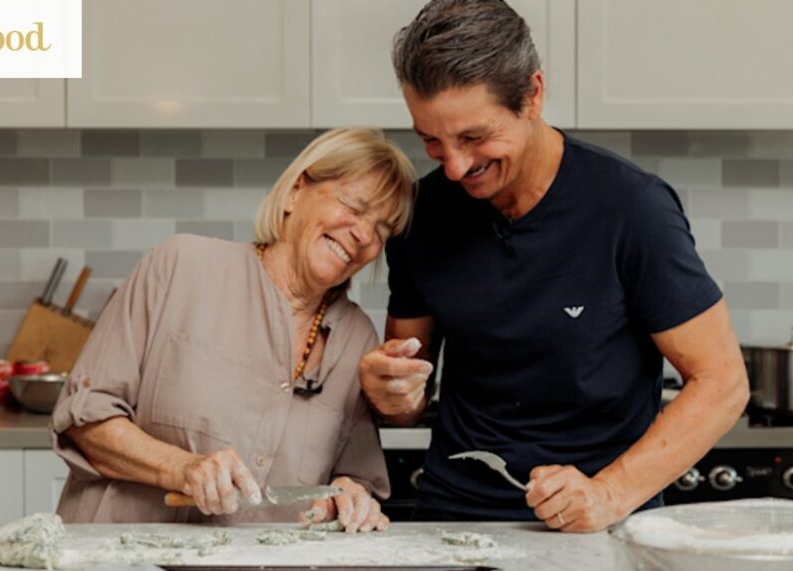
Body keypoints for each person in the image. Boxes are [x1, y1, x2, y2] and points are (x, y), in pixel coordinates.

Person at [359, 0, 749, 533]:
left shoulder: (631, 209)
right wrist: (393, 394)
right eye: (431, 139)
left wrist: (609, 494)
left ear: (533, 94)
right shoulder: (422, 214)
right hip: (453, 520)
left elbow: (723, 382)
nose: (453, 166)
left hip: (601, 521)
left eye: (473, 137)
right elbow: (409, 391)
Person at [51, 128, 416, 533]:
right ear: (296, 191)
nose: (364, 236)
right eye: (354, 206)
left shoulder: (357, 339)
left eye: (382, 231)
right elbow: (84, 419)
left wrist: (348, 495)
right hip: (117, 566)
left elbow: (355, 478)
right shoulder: (179, 268)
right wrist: (183, 468)